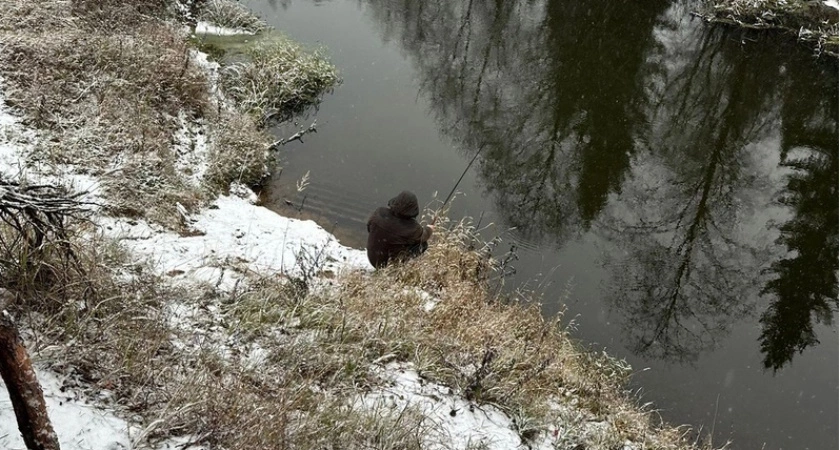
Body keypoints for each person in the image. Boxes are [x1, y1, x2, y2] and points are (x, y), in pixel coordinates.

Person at [366, 191, 434, 268]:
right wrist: (429, 229)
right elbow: (424, 236)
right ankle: (398, 266)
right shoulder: (412, 228)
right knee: (423, 244)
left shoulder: (379, 212)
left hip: (372, 258)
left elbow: (369, 227)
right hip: (387, 264)